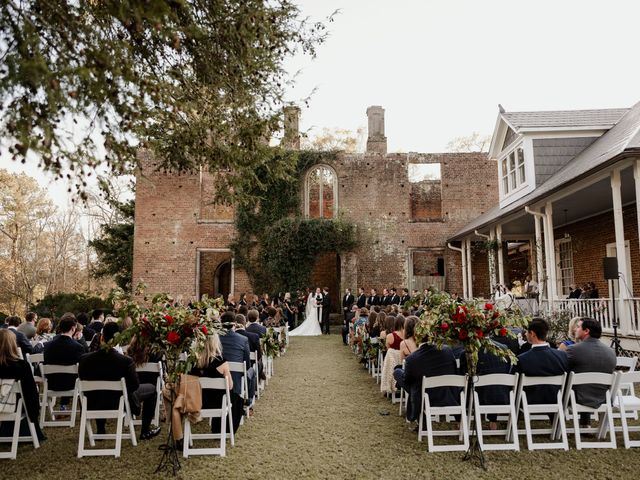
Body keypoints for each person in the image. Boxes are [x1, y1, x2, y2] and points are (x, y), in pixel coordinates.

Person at [78, 322, 160, 440]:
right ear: (117, 340)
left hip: (92, 402)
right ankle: (145, 431)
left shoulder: (84, 359)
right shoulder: (125, 361)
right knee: (152, 389)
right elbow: (134, 385)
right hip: (118, 402)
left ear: (101, 337)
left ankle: (101, 430)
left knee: (99, 391)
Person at [566, 317, 616, 427]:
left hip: (577, 397)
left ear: (586, 331)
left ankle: (555, 422)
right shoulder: (611, 352)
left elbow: (564, 370)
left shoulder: (573, 349)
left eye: (578, 327)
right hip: (603, 397)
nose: (575, 330)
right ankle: (585, 423)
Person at [393, 339, 459, 423]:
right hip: (448, 396)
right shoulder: (447, 351)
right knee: (408, 378)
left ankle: (416, 409)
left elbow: (407, 380)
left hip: (425, 398)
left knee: (398, 372)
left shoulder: (412, 358)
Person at [0, 330, 46, 442]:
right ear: (13, 344)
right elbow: (30, 393)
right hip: (15, 406)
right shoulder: (21, 366)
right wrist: (35, 411)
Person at [511, 318, 568, 405]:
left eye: (527, 332)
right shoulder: (562, 356)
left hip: (529, 401)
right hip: (556, 399)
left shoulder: (522, 359)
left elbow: (514, 382)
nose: (525, 334)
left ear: (532, 334)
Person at [190, 331, 235, 439]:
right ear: (215, 343)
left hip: (196, 403)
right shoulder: (221, 362)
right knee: (236, 398)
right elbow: (230, 386)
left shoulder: (192, 362)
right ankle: (220, 430)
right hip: (218, 404)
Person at [43, 313, 86, 394]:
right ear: (73, 329)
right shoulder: (78, 347)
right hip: (71, 385)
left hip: (52, 384)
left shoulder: (47, 345)